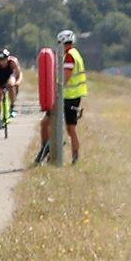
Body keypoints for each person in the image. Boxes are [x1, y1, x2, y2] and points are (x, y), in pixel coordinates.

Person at [57, 28, 89, 163]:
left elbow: (67, 75)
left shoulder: (69, 56)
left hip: (70, 96)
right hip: (76, 95)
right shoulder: (75, 53)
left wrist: (58, 88)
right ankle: (74, 156)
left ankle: (75, 157)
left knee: (70, 128)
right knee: (70, 128)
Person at [0, 45, 23, 132]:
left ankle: (12, 106)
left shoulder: (13, 62)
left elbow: (19, 74)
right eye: (0, 60)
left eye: (4, 59)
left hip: (9, 77)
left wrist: (17, 83)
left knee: (11, 84)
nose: (3, 62)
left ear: (8, 58)